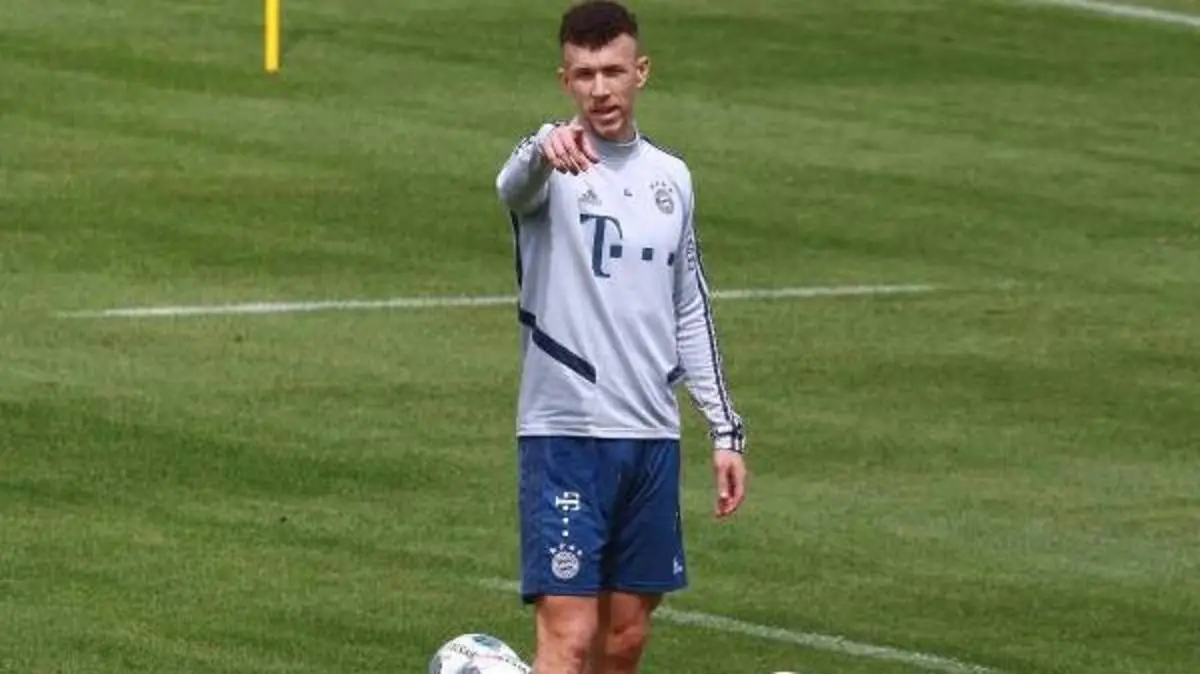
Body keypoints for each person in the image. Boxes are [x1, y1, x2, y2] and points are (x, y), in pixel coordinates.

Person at [493, 2, 748, 673]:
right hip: (565, 436)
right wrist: (541, 147)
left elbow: (688, 304)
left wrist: (724, 431)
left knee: (626, 636)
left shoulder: (672, 178)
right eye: (584, 75)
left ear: (641, 72)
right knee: (570, 634)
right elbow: (511, 187)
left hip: (651, 435)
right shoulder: (550, 167)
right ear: (564, 80)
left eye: (612, 71)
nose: (599, 89)